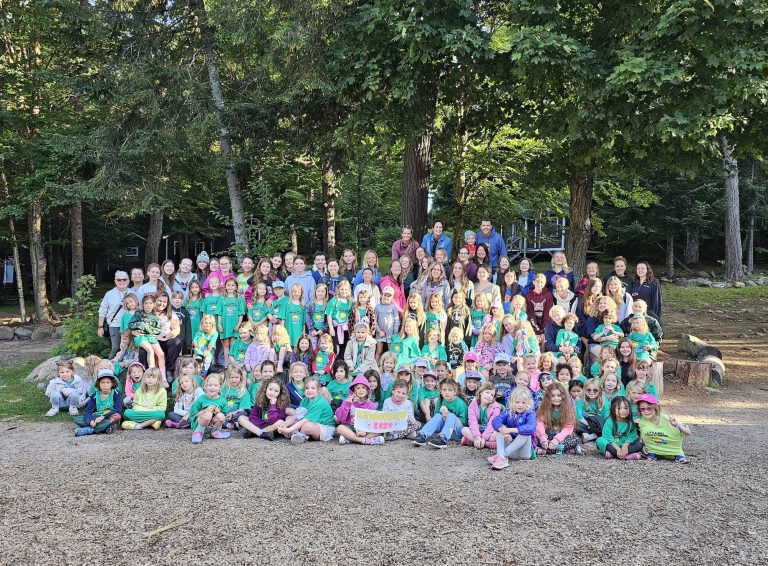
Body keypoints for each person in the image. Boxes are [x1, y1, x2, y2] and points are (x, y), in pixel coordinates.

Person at [488, 386, 537, 469]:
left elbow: (531, 427)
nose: (520, 405)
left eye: (523, 402)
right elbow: (496, 421)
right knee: (500, 430)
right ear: (512, 402)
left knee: (525, 433)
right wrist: (502, 430)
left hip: (524, 453)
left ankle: (501, 456)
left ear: (528, 403)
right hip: (511, 450)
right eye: (517, 402)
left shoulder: (530, 413)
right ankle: (502, 458)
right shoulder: (509, 412)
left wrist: (509, 430)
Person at [412, 378, 468, 449]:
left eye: (450, 390)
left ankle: (443, 439)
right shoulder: (440, 401)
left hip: (457, 430)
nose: (447, 392)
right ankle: (422, 435)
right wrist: (443, 417)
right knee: (438, 415)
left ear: (455, 392)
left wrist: (449, 417)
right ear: (441, 391)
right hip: (443, 428)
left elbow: (464, 422)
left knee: (451, 415)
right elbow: (437, 417)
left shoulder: (461, 403)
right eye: (444, 390)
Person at [278, 376, 337, 444]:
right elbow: (299, 416)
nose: (309, 390)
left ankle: (297, 434)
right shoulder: (304, 400)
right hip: (311, 422)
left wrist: (288, 430)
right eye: (307, 388)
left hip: (325, 427)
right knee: (290, 417)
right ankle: (291, 431)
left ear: (318, 390)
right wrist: (286, 425)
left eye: (313, 388)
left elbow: (304, 420)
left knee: (307, 426)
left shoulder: (319, 402)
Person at [637, 393, 691, 463]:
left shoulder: (666, 418)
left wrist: (677, 424)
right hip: (653, 452)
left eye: (649, 408)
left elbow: (688, 433)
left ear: (655, 407)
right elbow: (642, 435)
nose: (646, 411)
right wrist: (641, 447)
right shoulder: (642, 421)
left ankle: (678, 456)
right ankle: (651, 455)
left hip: (673, 451)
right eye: (642, 409)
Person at [336, 375, 385, 445]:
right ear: (354, 391)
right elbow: (341, 419)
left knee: (380, 429)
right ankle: (365, 440)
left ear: (367, 390)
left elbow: (372, 421)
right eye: (358, 388)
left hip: (365, 428)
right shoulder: (348, 401)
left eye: (363, 388)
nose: (361, 390)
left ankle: (350, 439)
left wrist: (364, 431)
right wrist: (347, 405)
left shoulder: (371, 404)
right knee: (339, 428)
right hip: (351, 427)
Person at [535, 382, 580, 455]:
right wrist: (543, 438)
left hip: (561, 437)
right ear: (548, 397)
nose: (556, 398)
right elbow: (539, 424)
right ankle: (565, 450)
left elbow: (567, 429)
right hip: (547, 436)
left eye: (559, 395)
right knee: (533, 437)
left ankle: (544, 451)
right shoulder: (544, 409)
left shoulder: (568, 410)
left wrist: (556, 441)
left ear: (563, 396)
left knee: (574, 439)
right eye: (552, 396)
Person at [74, 369, 123, 436]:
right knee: (78, 419)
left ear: (112, 383)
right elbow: (88, 411)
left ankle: (90, 430)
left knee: (117, 416)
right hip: (97, 417)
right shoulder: (95, 396)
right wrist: (90, 421)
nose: (105, 385)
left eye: (108, 382)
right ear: (98, 384)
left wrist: (103, 417)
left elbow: (118, 409)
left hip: (109, 417)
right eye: (102, 382)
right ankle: (105, 428)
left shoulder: (116, 394)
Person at [187, 372, 231, 443]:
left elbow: (225, 416)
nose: (212, 387)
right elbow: (193, 414)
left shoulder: (222, 400)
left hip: (211, 426)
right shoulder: (201, 399)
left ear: (220, 387)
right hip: (199, 424)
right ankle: (198, 433)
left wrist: (218, 411)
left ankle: (214, 432)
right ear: (205, 386)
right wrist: (205, 411)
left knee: (221, 416)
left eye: (215, 385)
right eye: (210, 385)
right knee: (208, 414)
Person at [98, 271, 130, 358]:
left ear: (128, 281)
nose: (122, 281)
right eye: (119, 280)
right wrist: (100, 327)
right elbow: (102, 310)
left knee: (129, 348)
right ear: (115, 281)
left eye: (124, 279)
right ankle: (108, 368)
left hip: (129, 325)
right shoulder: (109, 294)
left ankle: (126, 369)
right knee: (116, 348)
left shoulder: (133, 293)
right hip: (114, 324)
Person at [461, 382, 502, 450]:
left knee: (498, 434)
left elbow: (492, 424)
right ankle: (486, 444)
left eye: (492, 395)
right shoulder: (473, 404)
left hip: (490, 431)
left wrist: (484, 438)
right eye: (487, 392)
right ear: (481, 392)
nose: (489, 396)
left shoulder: (496, 407)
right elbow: (472, 421)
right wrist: (477, 436)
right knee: (464, 430)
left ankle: (472, 442)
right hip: (477, 429)